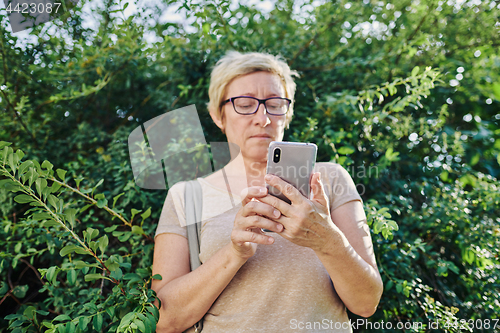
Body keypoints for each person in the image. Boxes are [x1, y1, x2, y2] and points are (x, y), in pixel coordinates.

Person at [151, 51, 383, 333]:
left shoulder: (329, 179)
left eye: (275, 104)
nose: (263, 118)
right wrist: (235, 252)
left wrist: (326, 239)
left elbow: (367, 303)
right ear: (218, 115)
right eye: (245, 104)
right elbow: (164, 320)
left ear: (288, 113)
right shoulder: (186, 196)